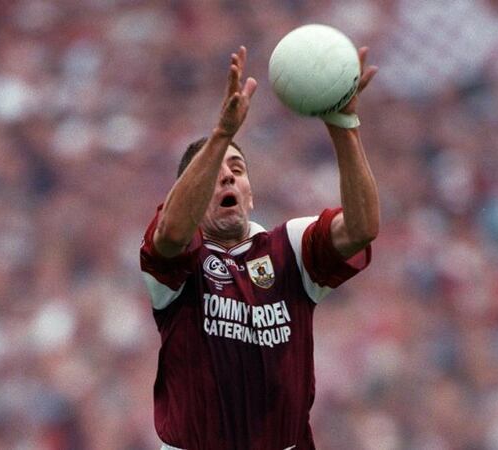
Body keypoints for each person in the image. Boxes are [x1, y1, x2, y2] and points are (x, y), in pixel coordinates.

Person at [140, 45, 380, 450]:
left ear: (251, 194)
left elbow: (362, 228)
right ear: (192, 197)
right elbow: (171, 233)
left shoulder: (290, 247)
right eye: (214, 174)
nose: (228, 179)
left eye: (237, 170)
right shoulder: (179, 259)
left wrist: (343, 125)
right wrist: (222, 135)